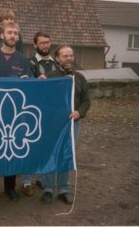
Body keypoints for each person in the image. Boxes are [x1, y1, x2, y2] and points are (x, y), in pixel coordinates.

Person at [0, 22, 33, 201]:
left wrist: (30, 80)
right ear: (1, 35)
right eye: (9, 32)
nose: (13, 36)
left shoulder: (22, 59)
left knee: (12, 150)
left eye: (15, 33)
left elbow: (30, 85)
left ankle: (10, 187)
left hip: (15, 113)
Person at [40, 45, 91, 205]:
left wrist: (79, 112)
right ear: (57, 58)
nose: (69, 59)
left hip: (72, 123)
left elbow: (86, 100)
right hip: (52, 124)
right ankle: (48, 188)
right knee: (49, 154)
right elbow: (41, 100)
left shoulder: (80, 78)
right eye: (65, 56)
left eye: (71, 55)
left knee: (66, 154)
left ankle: (63, 189)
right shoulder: (49, 78)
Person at [20, 32, 60, 197]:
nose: (45, 45)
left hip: (50, 111)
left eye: (47, 42)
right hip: (31, 110)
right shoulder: (29, 63)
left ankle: (43, 178)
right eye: (42, 43)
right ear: (35, 45)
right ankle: (26, 181)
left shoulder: (56, 64)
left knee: (45, 145)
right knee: (28, 145)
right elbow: (27, 85)